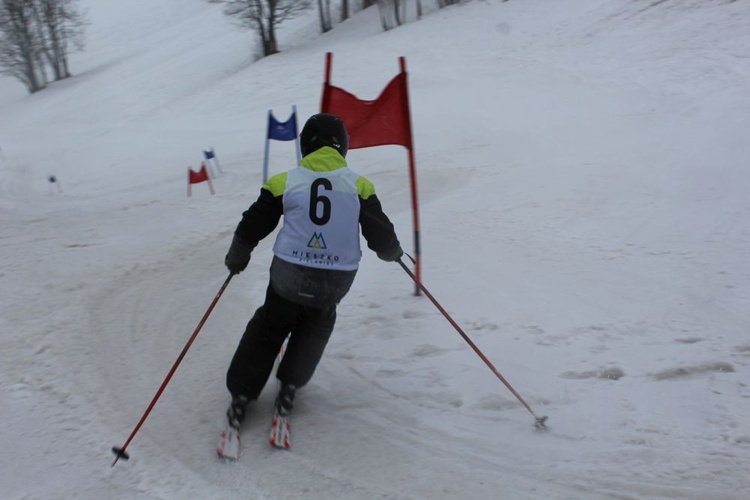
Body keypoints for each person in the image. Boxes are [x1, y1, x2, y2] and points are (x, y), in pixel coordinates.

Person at [223, 113, 403, 429]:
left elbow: (252, 224)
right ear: (342, 148)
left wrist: (237, 258)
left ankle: (242, 393)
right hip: (335, 280)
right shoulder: (359, 186)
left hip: (289, 276)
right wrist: (394, 253)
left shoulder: (284, 181)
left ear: (305, 145)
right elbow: (381, 234)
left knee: (270, 326)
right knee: (316, 327)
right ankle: (290, 386)